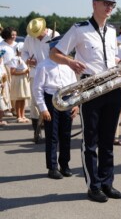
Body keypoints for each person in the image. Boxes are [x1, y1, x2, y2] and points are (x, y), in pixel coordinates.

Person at [50, 0, 121, 203]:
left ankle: (107, 183)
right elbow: (54, 53)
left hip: (113, 86)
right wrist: (71, 62)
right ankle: (94, 186)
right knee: (91, 140)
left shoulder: (112, 31)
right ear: (94, 4)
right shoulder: (79, 29)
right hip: (90, 88)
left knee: (108, 140)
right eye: (105, 3)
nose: (110, 7)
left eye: (112, 4)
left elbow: (112, 58)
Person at [33, 35, 79, 180]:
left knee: (65, 135)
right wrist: (43, 108)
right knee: (52, 136)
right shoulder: (43, 66)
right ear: (53, 49)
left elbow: (75, 86)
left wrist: (75, 104)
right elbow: (37, 89)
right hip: (51, 100)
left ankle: (64, 165)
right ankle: (52, 167)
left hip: (66, 100)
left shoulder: (68, 65)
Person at [22, 17, 60, 143]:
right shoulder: (29, 38)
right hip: (35, 73)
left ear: (44, 29)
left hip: (52, 74)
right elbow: (24, 53)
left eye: (38, 34)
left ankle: (55, 132)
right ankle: (37, 131)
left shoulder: (55, 35)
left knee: (55, 102)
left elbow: (62, 53)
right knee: (35, 104)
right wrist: (28, 60)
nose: (36, 37)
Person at [8, 43, 31, 123]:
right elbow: (13, 72)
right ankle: (19, 116)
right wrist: (24, 72)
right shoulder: (15, 59)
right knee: (19, 98)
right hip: (18, 79)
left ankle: (23, 115)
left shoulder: (23, 59)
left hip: (24, 79)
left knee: (23, 98)